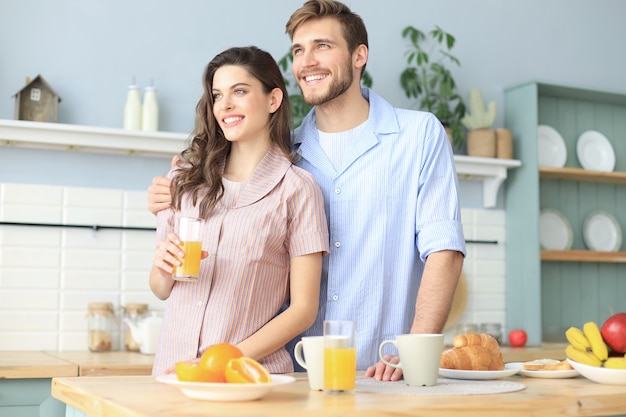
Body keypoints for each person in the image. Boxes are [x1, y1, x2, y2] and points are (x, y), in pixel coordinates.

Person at [148, 0, 465, 381]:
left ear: (359, 55)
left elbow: (444, 252)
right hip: (295, 374)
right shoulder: (286, 159)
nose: (307, 61)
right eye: (299, 50)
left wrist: (413, 351)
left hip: (382, 369)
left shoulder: (418, 136)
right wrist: (173, 197)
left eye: (323, 46)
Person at [150, 46, 329, 376]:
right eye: (217, 95)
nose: (225, 105)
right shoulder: (184, 178)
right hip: (174, 375)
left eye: (240, 91)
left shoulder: (297, 189)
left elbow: (304, 309)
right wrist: (162, 269)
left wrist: (228, 358)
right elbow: (161, 290)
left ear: (273, 100)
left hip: (248, 377)